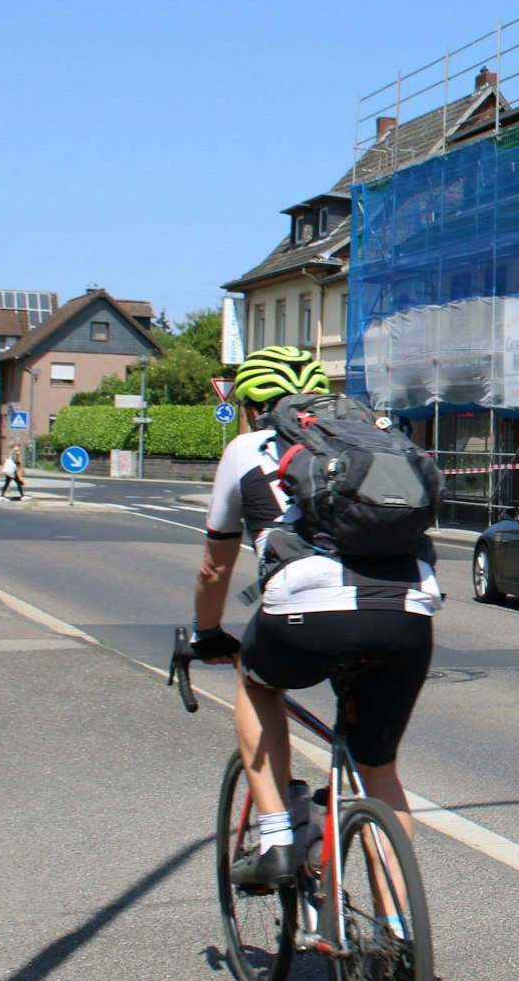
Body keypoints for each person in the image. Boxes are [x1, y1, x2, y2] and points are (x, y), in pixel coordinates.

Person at [187, 345, 443, 886]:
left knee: (256, 683)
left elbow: (215, 568)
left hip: (304, 614)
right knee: (380, 774)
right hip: (408, 612)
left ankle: (279, 835)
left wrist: (207, 634)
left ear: (253, 406)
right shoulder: (375, 437)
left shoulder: (246, 448)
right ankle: (397, 935)